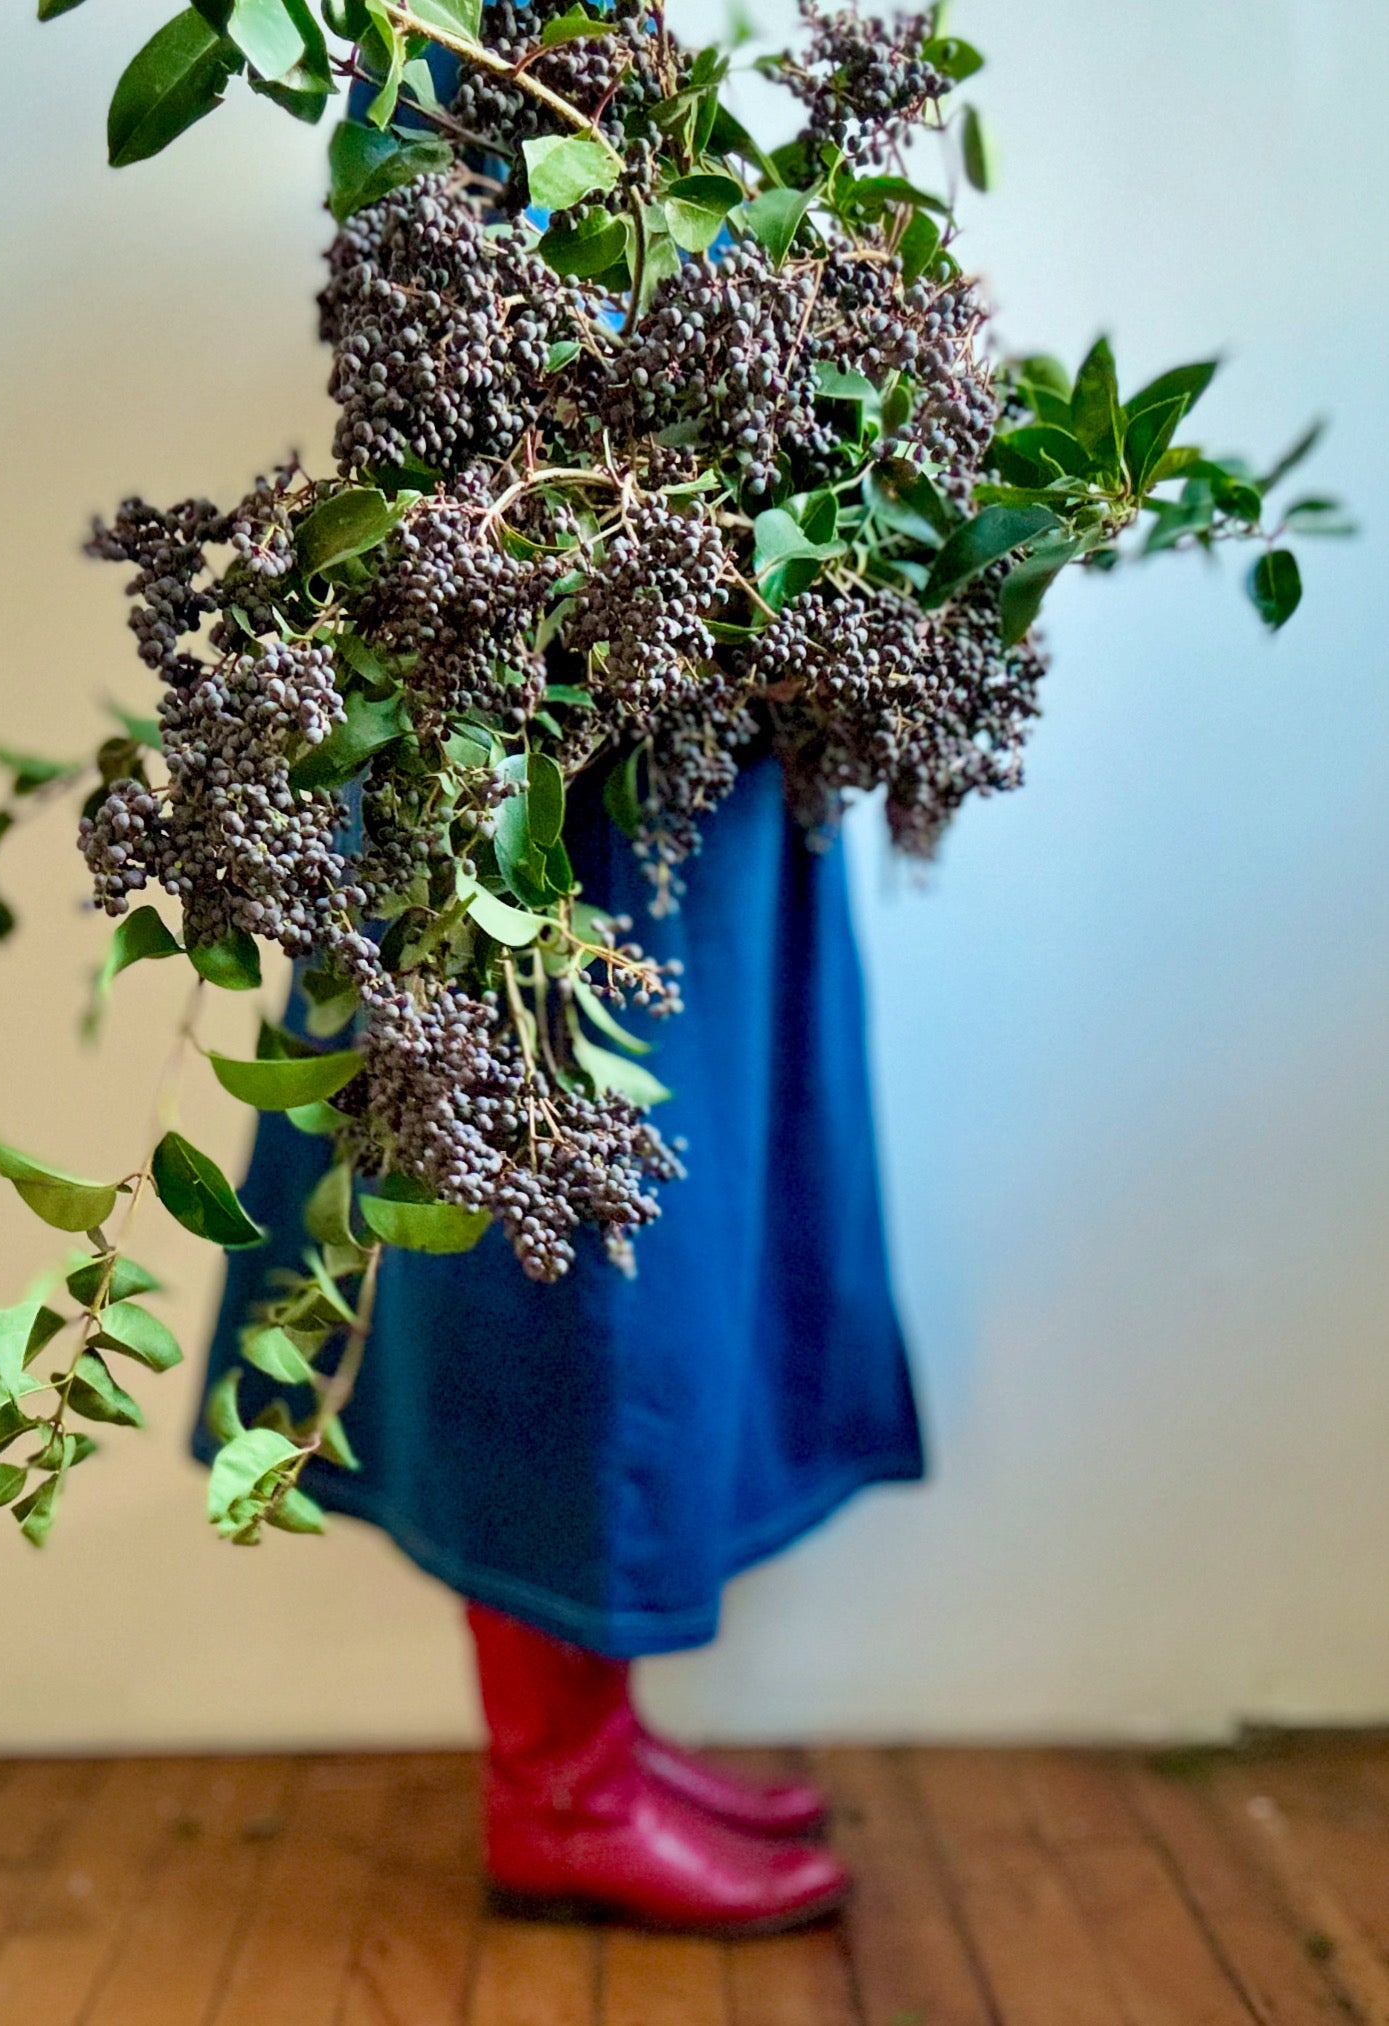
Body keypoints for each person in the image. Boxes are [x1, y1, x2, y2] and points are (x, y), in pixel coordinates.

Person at [197, 754, 924, 1932]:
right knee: (562, 1251)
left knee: (650, 1223)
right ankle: (560, 1796)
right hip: (535, 750)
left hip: (681, 730)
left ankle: (595, 1742)